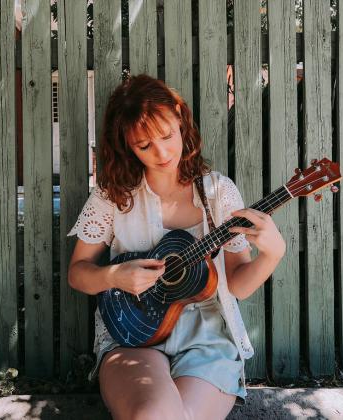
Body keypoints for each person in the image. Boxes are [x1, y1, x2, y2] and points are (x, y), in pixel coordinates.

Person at [67, 74, 286, 420]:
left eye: (168, 136)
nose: (162, 152)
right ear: (126, 145)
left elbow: (238, 286)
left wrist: (273, 253)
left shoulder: (218, 193)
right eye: (144, 146)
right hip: (134, 333)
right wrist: (114, 276)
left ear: (181, 121)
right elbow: (78, 273)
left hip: (206, 337)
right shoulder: (112, 197)